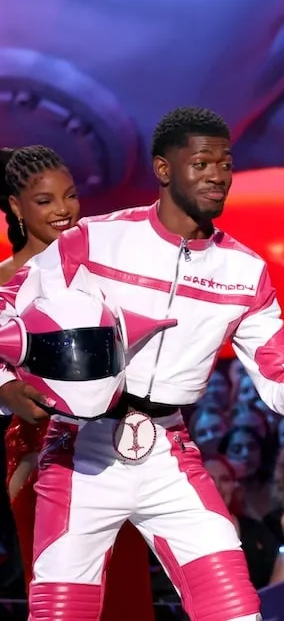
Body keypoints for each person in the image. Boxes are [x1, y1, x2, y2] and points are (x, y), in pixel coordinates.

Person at [0, 107, 284, 621]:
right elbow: (6, 306)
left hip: (168, 455)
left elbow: (281, 381)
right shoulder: (94, 240)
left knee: (237, 612)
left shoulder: (245, 271)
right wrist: (5, 387)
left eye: (225, 163)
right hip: (77, 453)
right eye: (201, 162)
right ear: (164, 169)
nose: (218, 174)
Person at [0, 146, 155, 620]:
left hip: (113, 452)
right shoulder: (4, 283)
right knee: (62, 600)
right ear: (13, 207)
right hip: (38, 458)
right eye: (45, 201)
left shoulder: (105, 273)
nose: (64, 210)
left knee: (124, 594)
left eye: (69, 196)